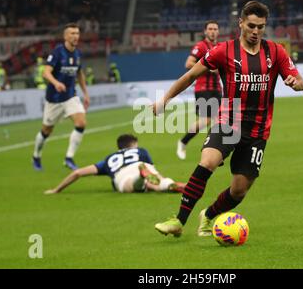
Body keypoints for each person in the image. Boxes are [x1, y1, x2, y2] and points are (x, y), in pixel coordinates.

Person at [152, 0, 303, 237]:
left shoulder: (276, 51)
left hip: (258, 131)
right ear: (241, 23)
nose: (255, 32)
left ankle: (209, 215)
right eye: (251, 26)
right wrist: (165, 99)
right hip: (229, 121)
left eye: (261, 27)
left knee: (239, 191)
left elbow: (300, 81)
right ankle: (179, 221)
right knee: (208, 162)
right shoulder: (224, 51)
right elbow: (191, 74)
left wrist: (296, 83)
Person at [32, 23, 90, 171]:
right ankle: (36, 156)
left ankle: (69, 158)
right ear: (65, 36)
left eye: (77, 33)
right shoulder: (58, 52)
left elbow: (79, 74)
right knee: (46, 131)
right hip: (54, 98)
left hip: (71, 95)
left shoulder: (77, 53)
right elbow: (46, 72)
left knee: (81, 123)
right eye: (72, 33)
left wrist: (86, 93)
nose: (75, 36)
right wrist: (56, 83)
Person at [44, 134, 185, 194]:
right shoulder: (140, 151)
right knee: (156, 180)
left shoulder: (109, 159)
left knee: (131, 186)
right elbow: (153, 169)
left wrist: (57, 189)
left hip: (121, 174)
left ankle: (141, 178)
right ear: (134, 144)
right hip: (140, 165)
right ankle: (169, 184)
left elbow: (77, 173)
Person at [177, 20, 222, 160]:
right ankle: (183, 142)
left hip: (217, 89)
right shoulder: (201, 46)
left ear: (218, 31)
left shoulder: (221, 47)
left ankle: (213, 149)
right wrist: (209, 67)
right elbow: (188, 63)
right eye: (210, 28)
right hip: (203, 88)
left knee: (221, 120)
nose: (213, 31)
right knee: (207, 120)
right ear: (205, 31)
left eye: (215, 28)